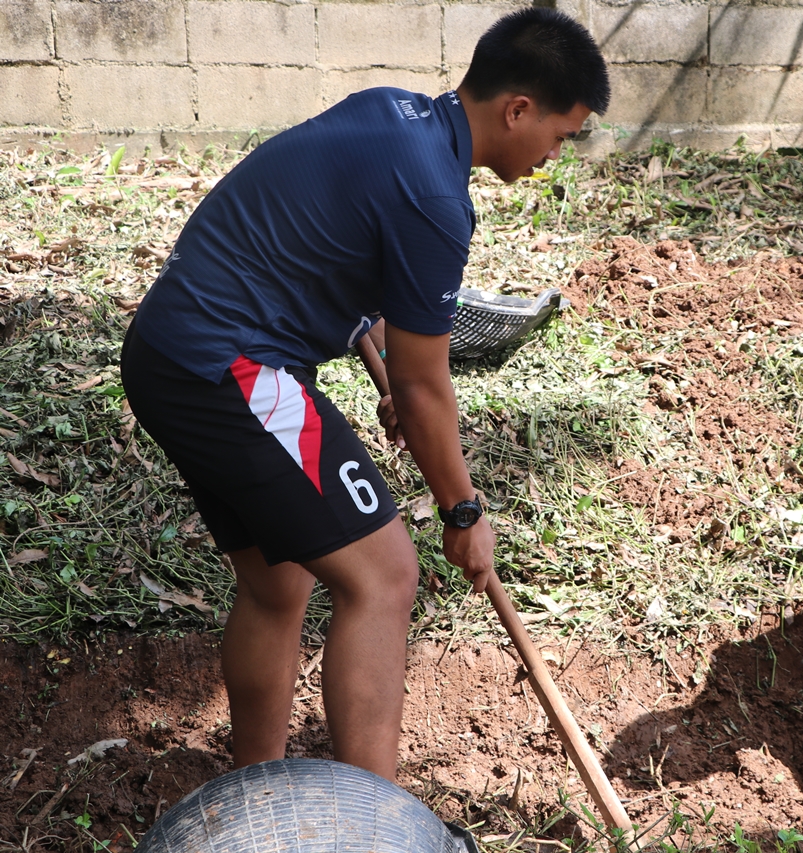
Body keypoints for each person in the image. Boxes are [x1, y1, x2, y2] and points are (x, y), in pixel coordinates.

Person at [119, 8, 610, 781]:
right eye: (560, 133)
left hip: (169, 350)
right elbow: (423, 389)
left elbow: (336, 247)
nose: (555, 154)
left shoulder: (393, 114)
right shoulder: (438, 199)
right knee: (386, 573)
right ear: (518, 109)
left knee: (277, 580)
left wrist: (385, 351)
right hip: (229, 362)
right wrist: (464, 511)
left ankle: (261, 797)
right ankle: (377, 825)